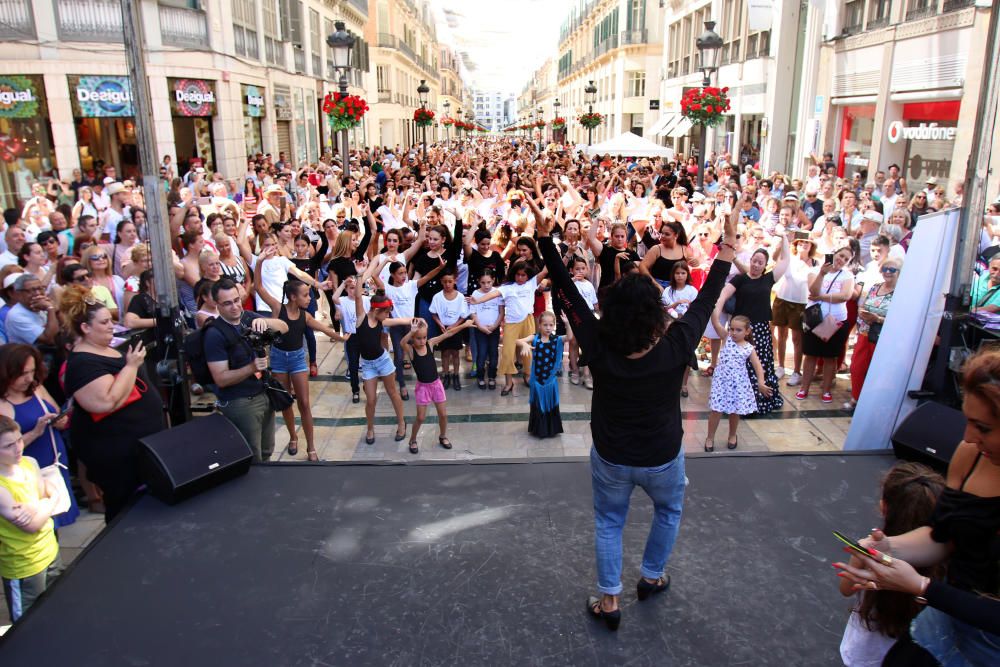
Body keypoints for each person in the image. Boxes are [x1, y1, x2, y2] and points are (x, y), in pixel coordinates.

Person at [533, 196, 737, 631]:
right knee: (668, 511)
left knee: (609, 522)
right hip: (662, 455)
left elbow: (565, 292)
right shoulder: (677, 345)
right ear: (654, 313)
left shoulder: (597, 343)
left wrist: (545, 238)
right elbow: (706, 300)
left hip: (612, 455)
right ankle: (651, 576)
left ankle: (610, 600)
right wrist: (729, 247)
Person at [834, 349, 1000, 666]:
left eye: (984, 427)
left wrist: (922, 586)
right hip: (942, 628)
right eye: (967, 420)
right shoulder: (970, 455)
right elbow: (943, 536)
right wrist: (885, 549)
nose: (968, 437)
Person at [59, 285, 164, 521]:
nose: (111, 326)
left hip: (140, 447)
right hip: (116, 453)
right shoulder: (82, 363)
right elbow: (106, 401)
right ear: (85, 328)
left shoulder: (107, 348)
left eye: (110, 320)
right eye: (104, 322)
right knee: (124, 507)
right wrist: (131, 366)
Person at [837, 462, 944, 667]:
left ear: (883, 507)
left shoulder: (868, 549)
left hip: (868, 648)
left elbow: (846, 589)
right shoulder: (944, 556)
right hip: (914, 650)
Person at [255, 273, 348, 461]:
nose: (309, 298)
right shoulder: (278, 308)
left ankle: (311, 447)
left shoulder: (305, 316)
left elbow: (324, 329)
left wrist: (342, 338)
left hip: (297, 358)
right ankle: (293, 437)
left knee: (304, 403)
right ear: (292, 297)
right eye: (305, 295)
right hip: (279, 359)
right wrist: (259, 262)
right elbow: (258, 287)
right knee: (286, 401)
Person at [204, 278, 288, 462]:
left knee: (266, 450)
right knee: (251, 455)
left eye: (237, 300)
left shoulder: (247, 317)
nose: (235, 307)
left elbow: (284, 327)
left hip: (263, 394)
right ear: (217, 305)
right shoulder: (214, 334)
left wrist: (265, 322)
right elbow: (221, 379)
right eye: (227, 303)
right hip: (241, 402)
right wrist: (252, 368)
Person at [711, 229, 791, 414]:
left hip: (761, 330)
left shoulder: (768, 279)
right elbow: (723, 295)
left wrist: (784, 238)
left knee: (760, 364)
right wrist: (716, 317)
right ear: (750, 261)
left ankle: (758, 403)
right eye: (754, 261)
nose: (756, 265)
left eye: (760, 262)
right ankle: (735, 402)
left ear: (765, 265)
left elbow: (786, 260)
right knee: (739, 366)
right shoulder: (740, 279)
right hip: (741, 330)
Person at [0, 344, 78, 529]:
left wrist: (59, 420)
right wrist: (35, 432)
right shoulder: (2, 404)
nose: (29, 378)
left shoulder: (36, 388)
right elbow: (5, 446)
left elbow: (57, 412)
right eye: (22, 373)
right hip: (29, 468)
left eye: (32, 371)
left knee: (59, 511)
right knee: (41, 520)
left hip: (55, 460)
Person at [0, 416, 62, 623]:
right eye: (8, 446)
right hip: (24, 564)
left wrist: (37, 504)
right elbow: (32, 525)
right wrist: (52, 499)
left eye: (19, 440)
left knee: (55, 609)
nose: (18, 448)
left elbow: (48, 490)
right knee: (25, 623)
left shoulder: (29, 463)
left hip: (50, 550)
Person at [467, 259, 548, 395]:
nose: (520, 277)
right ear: (513, 274)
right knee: (507, 353)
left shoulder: (532, 283)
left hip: (528, 320)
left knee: (528, 351)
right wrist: (478, 300)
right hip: (511, 324)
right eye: (518, 274)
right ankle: (508, 382)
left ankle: (528, 376)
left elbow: (545, 271)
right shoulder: (507, 287)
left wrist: (567, 254)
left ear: (528, 275)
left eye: (523, 275)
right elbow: (493, 294)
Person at [399, 317, 475, 453]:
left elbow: (448, 333)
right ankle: (413, 439)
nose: (422, 341)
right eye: (418, 338)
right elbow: (402, 342)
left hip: (436, 385)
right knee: (420, 418)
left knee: (443, 415)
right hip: (423, 388)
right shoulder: (411, 350)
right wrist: (411, 331)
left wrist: (464, 325)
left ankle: (443, 436)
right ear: (413, 338)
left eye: (424, 337)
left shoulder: (430, 344)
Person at [353, 265, 411, 445]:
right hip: (368, 364)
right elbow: (357, 297)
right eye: (386, 312)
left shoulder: (382, 320)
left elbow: (400, 320)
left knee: (392, 392)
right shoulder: (362, 318)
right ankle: (370, 428)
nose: (388, 315)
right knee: (371, 399)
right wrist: (359, 276)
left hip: (383, 361)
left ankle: (401, 422)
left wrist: (415, 320)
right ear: (377, 311)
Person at [795, 246, 856, 403]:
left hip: (836, 320)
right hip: (813, 317)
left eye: (846, 259)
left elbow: (845, 296)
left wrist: (821, 297)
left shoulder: (847, 275)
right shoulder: (814, 270)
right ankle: (804, 388)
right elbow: (813, 291)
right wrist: (822, 274)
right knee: (810, 355)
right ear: (834, 253)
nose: (842, 260)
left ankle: (826, 390)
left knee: (830, 357)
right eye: (841, 255)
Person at [704, 315, 771, 451]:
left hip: (738, 384)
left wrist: (761, 382)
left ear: (747, 331)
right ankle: (710, 437)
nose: (734, 332)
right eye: (732, 329)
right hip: (721, 383)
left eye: (738, 330)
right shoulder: (726, 338)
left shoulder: (748, 348)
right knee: (716, 410)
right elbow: (715, 322)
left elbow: (758, 366)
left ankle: (732, 435)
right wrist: (716, 305)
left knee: (735, 411)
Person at [847, 258, 901, 411]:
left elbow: (900, 318)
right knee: (857, 367)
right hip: (865, 333)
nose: (887, 272)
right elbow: (864, 304)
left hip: (883, 338)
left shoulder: (901, 293)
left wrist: (878, 319)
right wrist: (863, 313)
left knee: (878, 371)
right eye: (885, 269)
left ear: (899, 272)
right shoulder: (875, 287)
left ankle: (871, 403)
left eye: (892, 270)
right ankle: (856, 398)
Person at [773, 235, 818, 386]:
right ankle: (780, 367)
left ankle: (797, 371)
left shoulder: (816, 263)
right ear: (796, 244)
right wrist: (782, 240)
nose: (804, 244)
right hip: (782, 299)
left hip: (801, 304)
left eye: (807, 243)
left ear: (812, 246)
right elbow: (774, 257)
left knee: (797, 339)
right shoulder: (789, 258)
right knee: (781, 335)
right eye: (801, 242)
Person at [517, 311, 564, 439]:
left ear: (554, 325)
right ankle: (539, 430)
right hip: (537, 380)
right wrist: (524, 344)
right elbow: (518, 341)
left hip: (550, 380)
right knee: (538, 404)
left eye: (551, 325)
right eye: (545, 325)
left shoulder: (556, 339)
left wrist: (567, 324)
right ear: (539, 325)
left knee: (550, 404)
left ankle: (551, 429)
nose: (548, 328)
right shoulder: (535, 338)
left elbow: (570, 337)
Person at [429, 270, 470, 390]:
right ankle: (446, 375)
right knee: (445, 353)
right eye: (445, 282)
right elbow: (433, 313)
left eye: (450, 281)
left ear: (455, 281)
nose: (447, 284)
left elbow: (463, 315)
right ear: (441, 282)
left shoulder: (460, 297)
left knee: (455, 353)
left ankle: (456, 375)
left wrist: (455, 325)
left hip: (456, 329)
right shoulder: (437, 297)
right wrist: (440, 324)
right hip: (443, 329)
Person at [661, 262, 697, 397]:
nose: (680, 276)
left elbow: (695, 308)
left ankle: (684, 384)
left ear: (687, 274)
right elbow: (665, 308)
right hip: (671, 326)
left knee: (687, 355)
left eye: (683, 273)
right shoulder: (668, 290)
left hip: (686, 327)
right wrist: (676, 304)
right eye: (677, 273)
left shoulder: (692, 290)